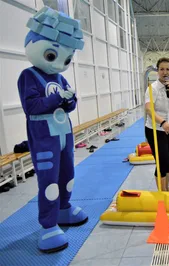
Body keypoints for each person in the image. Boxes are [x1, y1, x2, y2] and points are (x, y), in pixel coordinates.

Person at [17, 7, 88, 253]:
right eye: (52, 55)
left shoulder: (59, 78)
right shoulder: (29, 75)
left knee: (67, 175)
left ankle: (64, 208)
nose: (59, 64)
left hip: (64, 134)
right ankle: (48, 225)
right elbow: (31, 106)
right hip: (43, 136)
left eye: (66, 60)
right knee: (48, 181)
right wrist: (57, 99)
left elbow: (70, 104)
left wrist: (69, 100)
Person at [145, 57, 169, 191]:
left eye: (168, 69)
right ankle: (161, 193)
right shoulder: (152, 88)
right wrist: (162, 122)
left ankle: (167, 189)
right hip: (155, 129)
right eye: (162, 69)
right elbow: (149, 109)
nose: (165, 72)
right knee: (161, 162)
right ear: (158, 71)